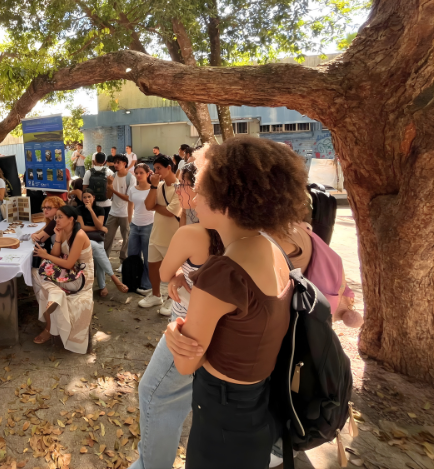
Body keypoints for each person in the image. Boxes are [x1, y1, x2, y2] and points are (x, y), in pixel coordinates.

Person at [164, 138, 307, 468]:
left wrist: (175, 328)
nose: (195, 197)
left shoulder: (223, 273)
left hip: (222, 412)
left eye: (202, 189)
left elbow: (186, 364)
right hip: (259, 405)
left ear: (227, 200)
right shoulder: (273, 250)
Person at [129, 173, 224, 469]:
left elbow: (164, 273)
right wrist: (187, 272)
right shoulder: (226, 232)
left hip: (187, 330)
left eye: (182, 186)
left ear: (199, 191)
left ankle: (151, 465)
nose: (177, 191)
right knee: (180, 396)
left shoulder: (192, 232)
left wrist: (179, 272)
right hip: (217, 329)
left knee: (155, 394)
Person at [32, 205, 94, 352]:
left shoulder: (79, 235)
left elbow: (69, 263)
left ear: (71, 219)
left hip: (81, 278)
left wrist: (46, 255)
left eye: (60, 217)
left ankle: (55, 299)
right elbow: (56, 255)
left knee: (40, 274)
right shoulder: (65, 232)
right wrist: (58, 238)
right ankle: (55, 296)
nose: (56, 220)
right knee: (38, 272)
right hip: (70, 273)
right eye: (56, 217)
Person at [140, 155, 181, 312]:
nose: (155, 171)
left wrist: (156, 207)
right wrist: (154, 186)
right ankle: (156, 295)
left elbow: (172, 212)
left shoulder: (179, 187)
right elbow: (148, 205)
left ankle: (172, 299)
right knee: (153, 265)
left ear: (169, 168)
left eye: (159, 168)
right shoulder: (159, 186)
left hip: (172, 236)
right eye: (155, 168)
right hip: (156, 234)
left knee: (172, 270)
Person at [78, 190, 128, 297]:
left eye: (89, 197)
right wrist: (98, 229)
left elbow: (99, 224)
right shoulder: (79, 209)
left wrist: (91, 211)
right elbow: (82, 227)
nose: (86, 199)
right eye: (84, 197)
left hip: (97, 237)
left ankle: (103, 286)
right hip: (84, 237)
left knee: (99, 255)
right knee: (100, 251)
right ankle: (112, 279)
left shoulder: (99, 209)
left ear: (94, 197)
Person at [127, 164, 155, 291]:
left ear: (148, 173)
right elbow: (130, 205)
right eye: (136, 173)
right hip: (134, 225)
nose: (138, 175)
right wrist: (129, 221)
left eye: (141, 173)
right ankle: (133, 282)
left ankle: (146, 284)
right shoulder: (133, 189)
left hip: (148, 225)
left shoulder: (153, 189)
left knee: (148, 257)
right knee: (132, 255)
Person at [103, 155, 134, 264]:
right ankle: (104, 261)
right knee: (107, 238)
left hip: (125, 214)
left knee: (126, 239)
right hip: (113, 212)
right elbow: (108, 196)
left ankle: (123, 262)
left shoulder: (131, 178)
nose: (115, 165)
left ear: (124, 163)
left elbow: (129, 198)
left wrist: (113, 189)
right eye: (114, 162)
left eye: (118, 162)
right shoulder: (112, 177)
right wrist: (110, 185)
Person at [82, 152, 113, 224]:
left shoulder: (88, 172)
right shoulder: (109, 172)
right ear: (104, 161)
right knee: (103, 225)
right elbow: (111, 189)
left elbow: (84, 189)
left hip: (92, 204)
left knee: (92, 224)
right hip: (106, 203)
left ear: (95, 160)